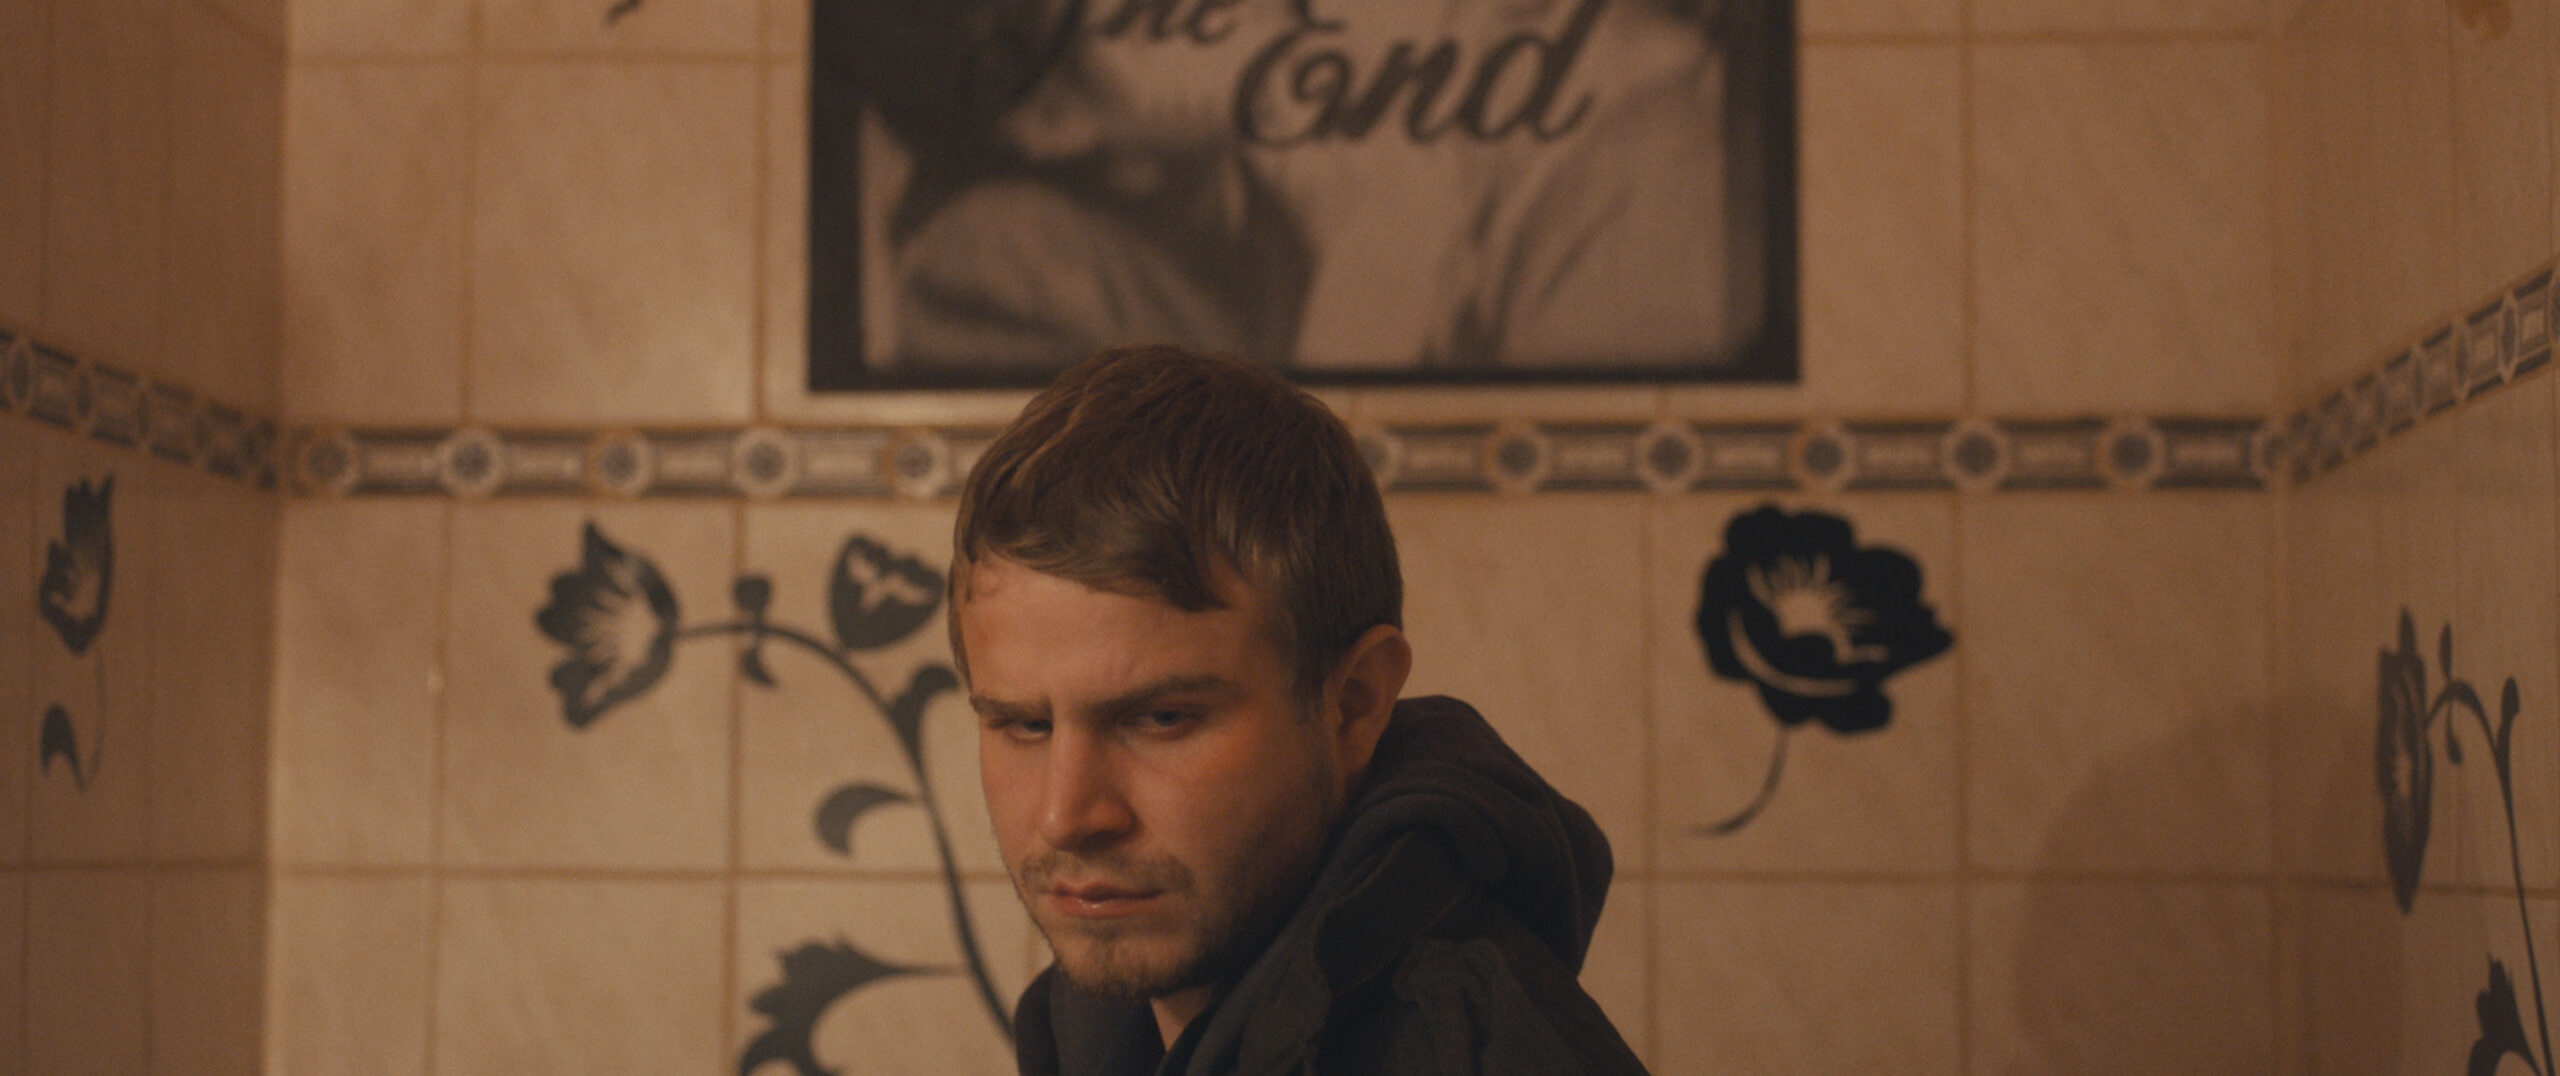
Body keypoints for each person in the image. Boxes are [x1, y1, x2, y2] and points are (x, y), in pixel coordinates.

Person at [947, 343, 1651, 1074]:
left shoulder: (1477, 1052)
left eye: (1162, 720)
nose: (1066, 816)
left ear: (1354, 702)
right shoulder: (1089, 1030)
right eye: (1025, 724)